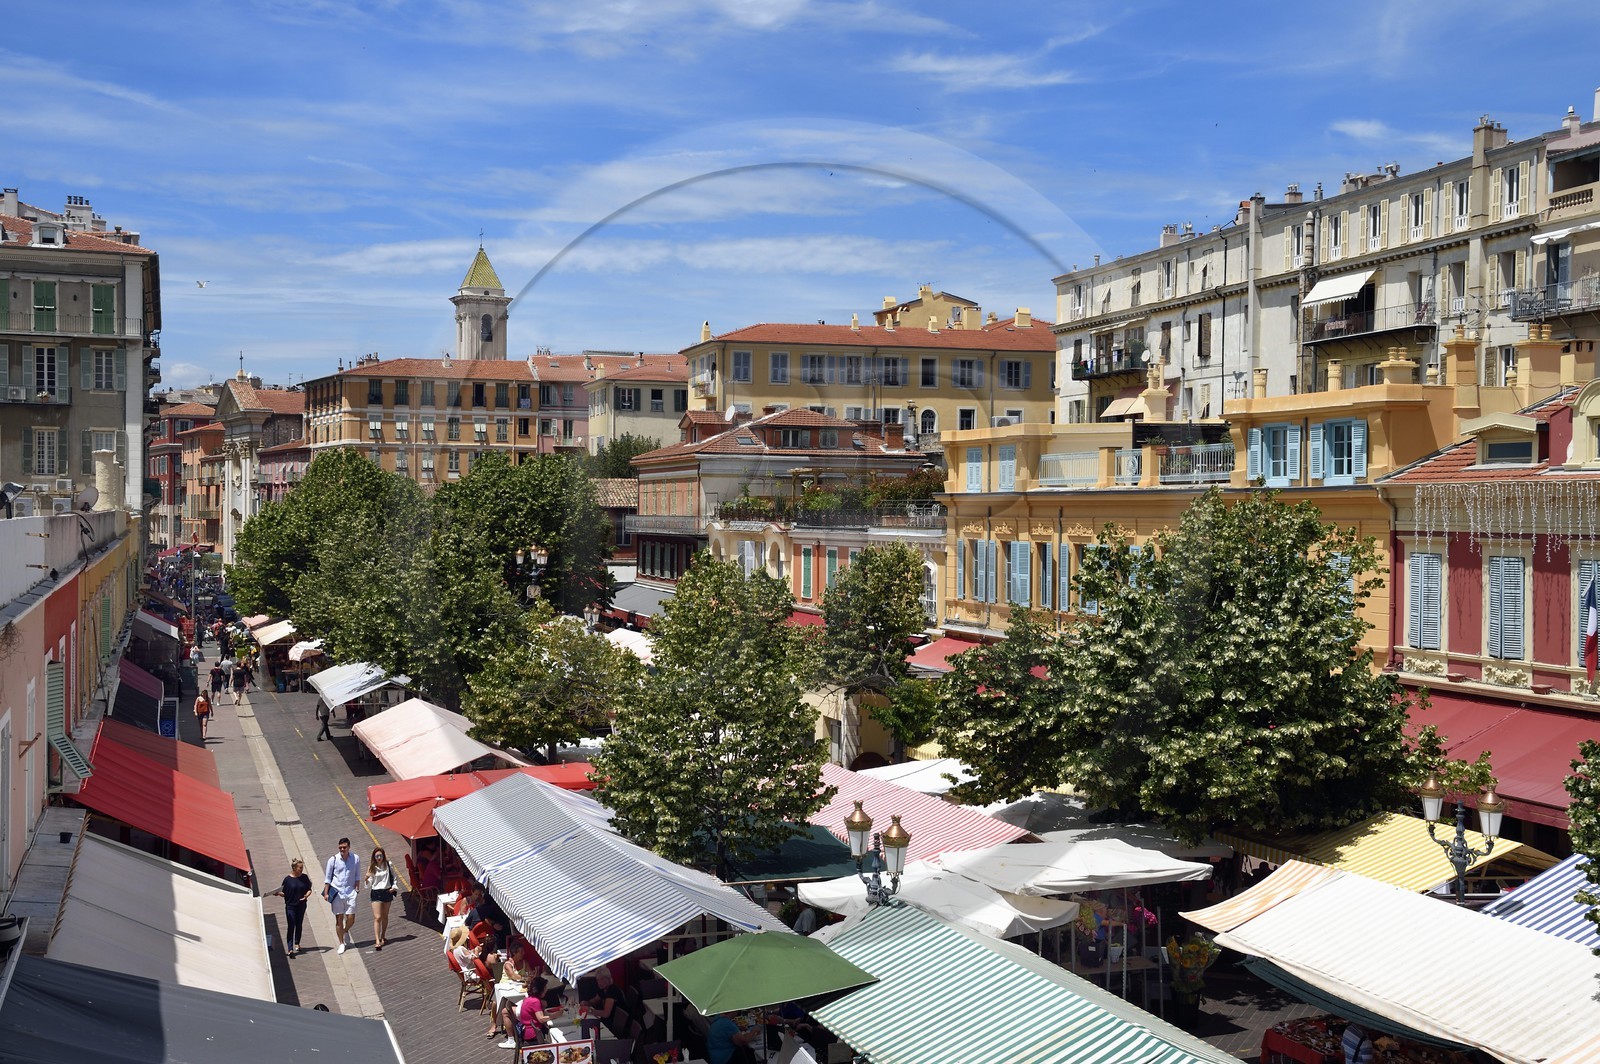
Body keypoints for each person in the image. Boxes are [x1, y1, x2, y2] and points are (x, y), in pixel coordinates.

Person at [323, 837, 362, 954]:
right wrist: (326, 893)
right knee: (339, 918)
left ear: (349, 847)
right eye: (340, 847)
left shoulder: (355, 858)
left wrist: (357, 888)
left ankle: (345, 931)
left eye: (344, 847)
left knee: (351, 918)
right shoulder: (333, 860)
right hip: (337, 892)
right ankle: (341, 943)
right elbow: (328, 878)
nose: (342, 849)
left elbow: (357, 875)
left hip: (350, 892)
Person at [271, 858, 314, 957]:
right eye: (300, 868)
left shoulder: (304, 877)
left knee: (299, 924)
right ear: (294, 868)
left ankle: (297, 943)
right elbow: (284, 893)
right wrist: (277, 893)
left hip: (301, 905)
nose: (301, 869)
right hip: (291, 906)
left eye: (302, 867)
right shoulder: (287, 880)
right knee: (291, 925)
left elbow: (309, 889)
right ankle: (290, 949)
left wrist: (306, 896)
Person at [498, 977, 553, 1048]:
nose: (546, 989)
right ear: (540, 989)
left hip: (528, 1032)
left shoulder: (529, 998)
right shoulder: (535, 1001)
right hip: (534, 1035)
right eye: (545, 988)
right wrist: (555, 1015)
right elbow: (541, 1019)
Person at [366, 846, 397, 951]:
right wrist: (366, 878)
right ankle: (377, 940)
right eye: (377, 856)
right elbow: (369, 883)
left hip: (387, 891)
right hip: (376, 892)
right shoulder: (372, 867)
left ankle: (383, 935)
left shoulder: (388, 864)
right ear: (374, 857)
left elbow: (394, 877)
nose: (379, 858)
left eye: (380, 856)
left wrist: (394, 887)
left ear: (383, 856)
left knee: (385, 916)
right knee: (377, 917)